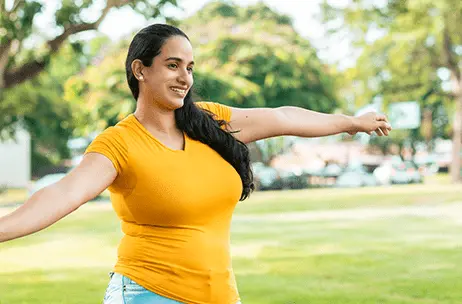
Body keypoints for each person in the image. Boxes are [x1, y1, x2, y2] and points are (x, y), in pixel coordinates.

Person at [0, 24, 391, 304]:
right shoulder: (119, 142)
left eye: (189, 67)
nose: (185, 77)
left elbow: (283, 117)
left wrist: (349, 123)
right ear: (140, 70)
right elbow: (63, 193)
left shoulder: (209, 120)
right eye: (173, 65)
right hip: (147, 293)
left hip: (220, 293)